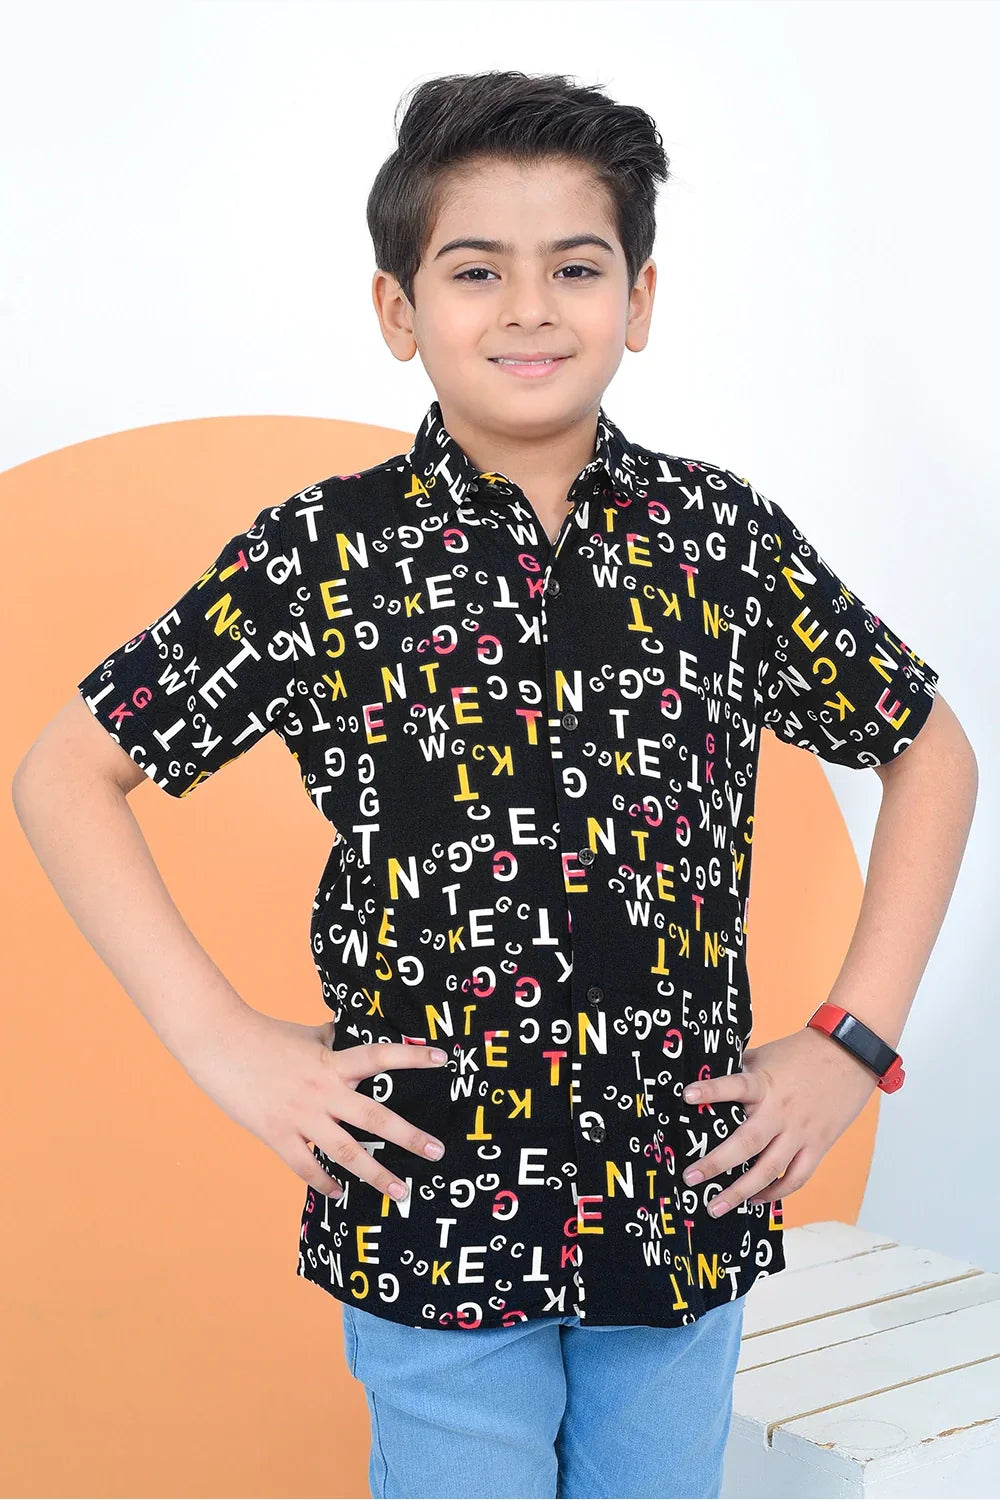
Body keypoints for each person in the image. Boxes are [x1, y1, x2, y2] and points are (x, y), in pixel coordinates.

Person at [12, 67, 977, 1500]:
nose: (530, 307)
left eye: (574, 267)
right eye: (477, 270)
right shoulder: (325, 555)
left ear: (639, 300)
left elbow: (926, 746)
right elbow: (66, 772)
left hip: (679, 1192)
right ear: (399, 310)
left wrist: (851, 1042)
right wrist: (221, 1041)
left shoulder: (719, 541)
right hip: (431, 1195)